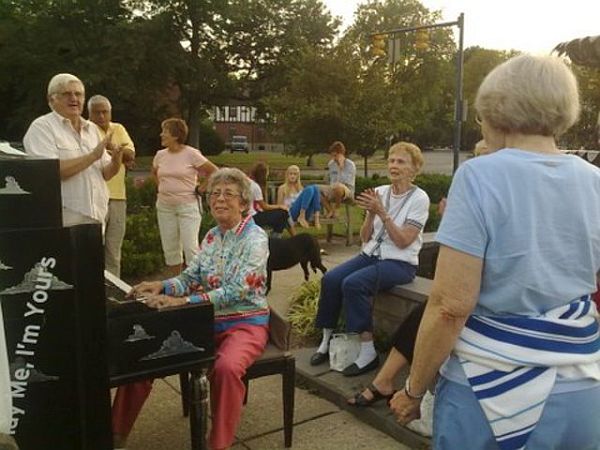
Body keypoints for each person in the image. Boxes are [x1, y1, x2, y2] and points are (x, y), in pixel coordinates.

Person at [390, 55, 600, 449]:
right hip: (581, 388)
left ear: (499, 111)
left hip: (487, 391)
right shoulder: (594, 180)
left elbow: (450, 306)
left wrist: (413, 390)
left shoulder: (479, 176)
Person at [112, 168, 270, 450]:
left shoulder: (256, 238)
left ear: (244, 203)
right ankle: (114, 433)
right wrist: (161, 286)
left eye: (229, 194)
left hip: (245, 323)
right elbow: (190, 278)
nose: (219, 199)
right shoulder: (211, 236)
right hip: (203, 320)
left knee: (227, 367)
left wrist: (184, 302)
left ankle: (218, 444)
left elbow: (237, 290)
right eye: (215, 193)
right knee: (143, 349)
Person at [310, 142, 430, 377]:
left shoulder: (419, 198)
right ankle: (326, 340)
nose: (394, 165)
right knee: (331, 279)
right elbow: (365, 238)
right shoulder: (380, 192)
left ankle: (367, 352)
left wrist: (382, 214)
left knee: (353, 284)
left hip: (400, 263)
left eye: (401, 162)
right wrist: (370, 215)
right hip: (371, 255)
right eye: (391, 160)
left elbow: (404, 241)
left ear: (414, 168)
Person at [23, 73, 123, 223]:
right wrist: (92, 156)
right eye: (66, 94)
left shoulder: (92, 129)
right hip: (63, 218)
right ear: (51, 99)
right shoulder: (42, 127)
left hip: (97, 216)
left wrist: (116, 161)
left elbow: (106, 174)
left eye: (78, 94)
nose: (74, 98)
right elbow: (49, 172)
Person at [152, 118, 218, 276]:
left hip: (187, 206)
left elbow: (214, 171)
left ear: (176, 135)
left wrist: (202, 188)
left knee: (190, 247)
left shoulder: (191, 154)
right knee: (170, 248)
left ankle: (195, 283)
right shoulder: (160, 155)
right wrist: (162, 188)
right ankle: (176, 283)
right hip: (165, 206)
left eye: (165, 132)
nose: (161, 135)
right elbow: (154, 172)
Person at [88, 95, 135, 277]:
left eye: (105, 112)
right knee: (92, 249)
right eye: (97, 112)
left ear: (110, 112)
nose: (101, 116)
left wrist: (110, 150)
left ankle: (113, 289)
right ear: (89, 113)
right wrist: (117, 153)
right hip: (92, 197)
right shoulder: (85, 130)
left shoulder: (118, 128)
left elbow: (130, 154)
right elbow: (90, 156)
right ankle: (93, 287)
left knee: (113, 250)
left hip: (117, 197)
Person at [248, 162, 294, 237]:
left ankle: (292, 236)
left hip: (253, 214)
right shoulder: (255, 187)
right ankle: (275, 238)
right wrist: (279, 206)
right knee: (284, 213)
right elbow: (264, 207)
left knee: (283, 214)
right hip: (253, 217)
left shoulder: (250, 183)